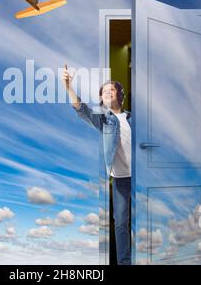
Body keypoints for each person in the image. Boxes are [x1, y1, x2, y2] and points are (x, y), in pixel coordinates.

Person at [62, 65, 131, 265]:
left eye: (111, 89)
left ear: (120, 94)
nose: (107, 92)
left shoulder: (134, 118)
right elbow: (81, 110)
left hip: (141, 177)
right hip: (120, 179)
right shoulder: (104, 120)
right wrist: (68, 87)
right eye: (103, 92)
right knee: (120, 223)